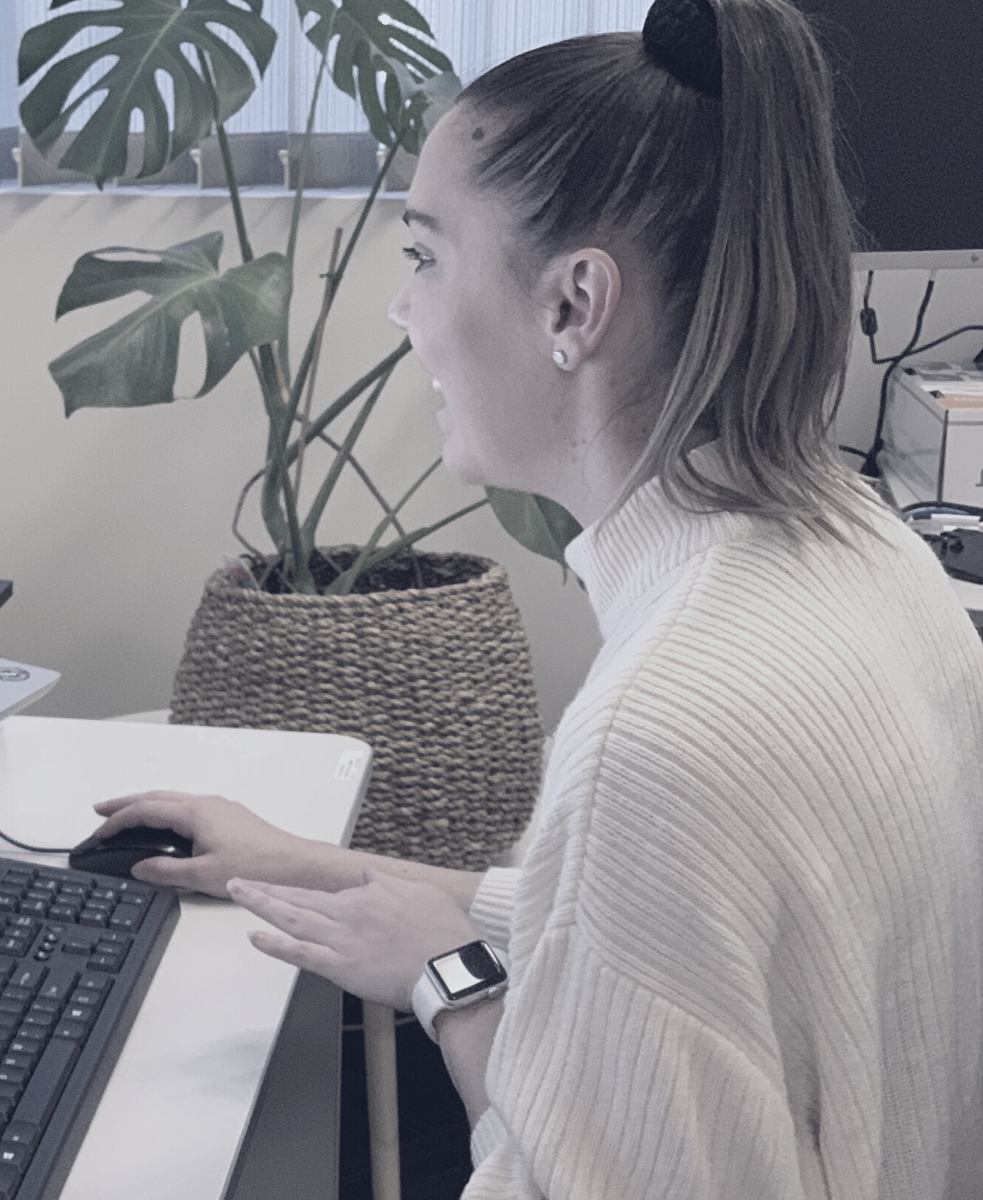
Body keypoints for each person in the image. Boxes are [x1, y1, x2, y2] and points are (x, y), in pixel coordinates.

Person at [88, 0, 983, 1195]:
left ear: (574, 305)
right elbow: (659, 933)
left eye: (424, 255)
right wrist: (310, 863)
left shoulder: (663, 729)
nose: (403, 311)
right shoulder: (866, 547)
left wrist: (452, 980)